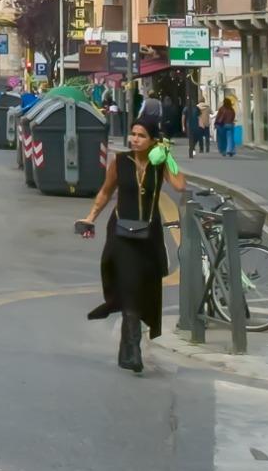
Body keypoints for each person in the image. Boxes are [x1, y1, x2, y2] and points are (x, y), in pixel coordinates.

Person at [77, 115, 186, 374]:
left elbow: (181, 185)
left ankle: (126, 351)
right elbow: (105, 192)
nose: (135, 139)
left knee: (141, 289)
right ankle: (133, 348)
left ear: (153, 140)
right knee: (128, 285)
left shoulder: (159, 164)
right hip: (121, 233)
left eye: (141, 136)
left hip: (149, 235)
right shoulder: (120, 161)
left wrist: (167, 155)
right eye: (133, 134)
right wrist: (90, 217)